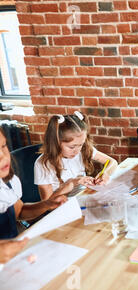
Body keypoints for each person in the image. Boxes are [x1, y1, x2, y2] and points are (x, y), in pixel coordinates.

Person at [0, 128, 72, 264]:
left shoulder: (6, 183)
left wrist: (47, 204)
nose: (2, 156)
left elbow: (19, 211)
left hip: (13, 261)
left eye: (3, 146)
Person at [34, 111, 117, 200]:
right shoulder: (43, 164)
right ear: (56, 142)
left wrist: (105, 173)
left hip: (84, 197)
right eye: (72, 147)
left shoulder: (84, 149)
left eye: (80, 144)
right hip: (63, 206)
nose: (77, 151)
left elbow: (112, 162)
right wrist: (72, 183)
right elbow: (46, 204)